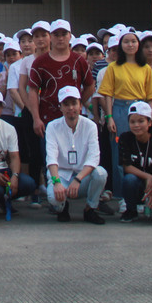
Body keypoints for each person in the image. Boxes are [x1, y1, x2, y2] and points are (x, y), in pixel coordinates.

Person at [26, 20, 95, 197]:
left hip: (74, 120)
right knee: (49, 157)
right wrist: (36, 118)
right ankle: (55, 193)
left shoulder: (79, 61)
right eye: (56, 34)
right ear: (51, 37)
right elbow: (32, 90)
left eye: (64, 34)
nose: (60, 38)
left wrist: (78, 104)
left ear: (70, 36)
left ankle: (78, 190)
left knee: (78, 155)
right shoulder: (40, 62)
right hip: (48, 119)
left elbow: (90, 85)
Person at [97, 31, 152, 199]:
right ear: (121, 46)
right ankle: (121, 195)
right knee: (119, 153)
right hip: (119, 109)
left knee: (142, 152)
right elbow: (107, 94)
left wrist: (150, 118)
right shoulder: (113, 67)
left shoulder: (145, 68)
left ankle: (143, 194)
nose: (130, 45)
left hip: (140, 109)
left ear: (138, 44)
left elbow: (151, 97)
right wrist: (109, 117)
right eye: (126, 42)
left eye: (133, 41)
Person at [44, 86, 107, 224]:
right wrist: (56, 182)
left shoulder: (90, 126)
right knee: (53, 196)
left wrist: (78, 179)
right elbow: (51, 158)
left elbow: (94, 157)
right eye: (66, 104)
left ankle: (90, 209)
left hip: (82, 176)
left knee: (101, 173)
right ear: (60, 107)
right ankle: (62, 207)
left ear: (80, 105)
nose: (70, 108)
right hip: (62, 175)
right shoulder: (52, 126)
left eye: (74, 103)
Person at [0, 90, 35, 215]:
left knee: (28, 183)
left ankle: (6, 200)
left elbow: (14, 156)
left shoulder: (9, 129)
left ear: (2, 108)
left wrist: (15, 176)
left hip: (4, 170)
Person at [117, 101, 152, 223]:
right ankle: (131, 210)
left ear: (149, 122)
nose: (136, 125)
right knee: (129, 180)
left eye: (141, 121)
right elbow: (127, 167)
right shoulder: (125, 138)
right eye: (132, 122)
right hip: (138, 182)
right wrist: (148, 177)